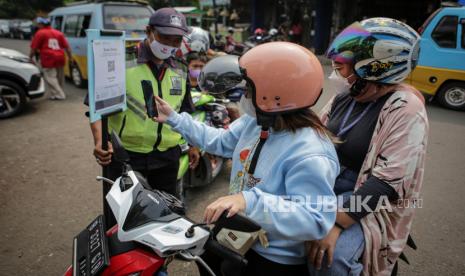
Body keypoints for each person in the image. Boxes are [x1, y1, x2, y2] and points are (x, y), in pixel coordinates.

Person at [152, 42, 339, 275]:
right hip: (238, 235)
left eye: (249, 90)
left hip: (274, 258)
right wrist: (175, 119)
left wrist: (249, 201)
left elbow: (315, 219)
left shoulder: (310, 152)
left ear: (276, 93)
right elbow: (221, 142)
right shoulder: (257, 122)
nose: (244, 96)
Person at [307, 18, 429, 275]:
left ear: (373, 68)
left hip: (365, 202)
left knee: (328, 259)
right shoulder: (347, 96)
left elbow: (386, 183)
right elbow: (311, 135)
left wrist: (337, 225)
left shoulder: (406, 109)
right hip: (324, 186)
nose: (336, 75)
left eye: (342, 68)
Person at [91, 8, 198, 200]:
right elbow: (96, 109)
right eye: (165, 37)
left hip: (167, 157)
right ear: (149, 31)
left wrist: (193, 144)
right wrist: (100, 141)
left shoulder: (181, 68)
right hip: (126, 157)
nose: (170, 45)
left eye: (177, 40)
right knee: (123, 215)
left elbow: (185, 111)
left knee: (166, 212)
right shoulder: (119, 61)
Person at [29, 17, 72, 100]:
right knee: (59, 77)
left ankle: (60, 94)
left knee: (50, 77)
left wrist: (30, 57)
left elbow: (34, 48)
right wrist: (70, 58)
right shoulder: (58, 33)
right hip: (60, 57)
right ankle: (56, 93)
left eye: (38, 24)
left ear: (41, 24)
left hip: (48, 58)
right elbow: (67, 47)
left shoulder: (40, 33)